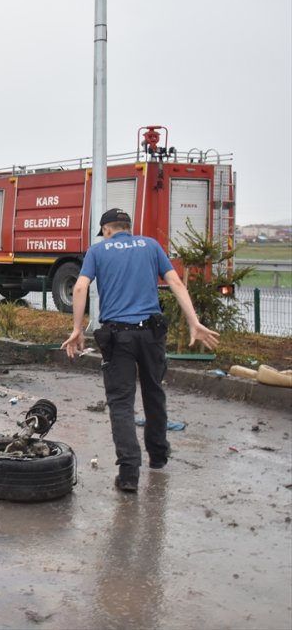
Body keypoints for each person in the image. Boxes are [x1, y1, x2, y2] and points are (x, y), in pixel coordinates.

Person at [61, 208, 219, 493]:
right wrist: (194, 321)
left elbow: (81, 287)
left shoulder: (98, 251)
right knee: (154, 392)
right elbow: (175, 282)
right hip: (151, 334)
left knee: (121, 402)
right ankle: (158, 457)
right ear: (128, 227)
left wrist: (77, 329)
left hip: (118, 336)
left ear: (107, 230)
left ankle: (129, 473)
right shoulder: (150, 245)